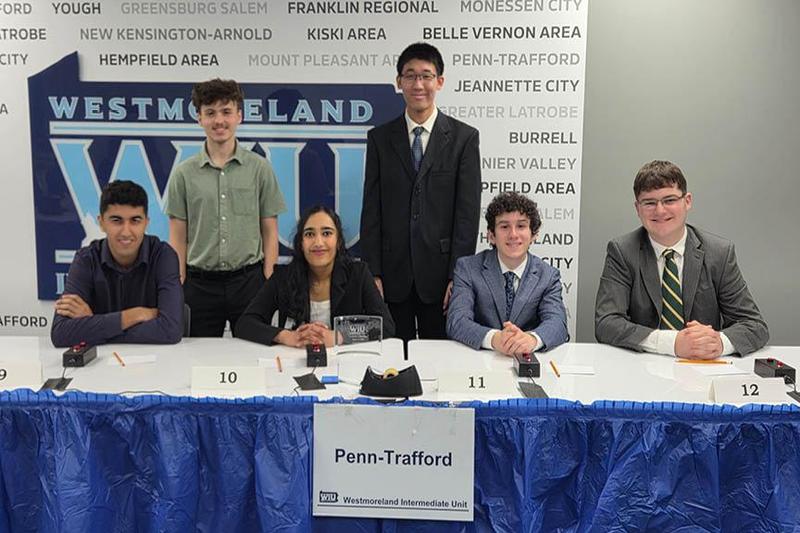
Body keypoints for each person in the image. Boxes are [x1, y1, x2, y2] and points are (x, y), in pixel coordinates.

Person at [359, 42, 481, 344]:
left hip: (441, 278)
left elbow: (467, 215)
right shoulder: (379, 138)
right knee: (391, 360)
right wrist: (372, 271)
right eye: (410, 76)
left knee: (439, 360)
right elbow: (371, 208)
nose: (418, 84)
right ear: (399, 82)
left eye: (426, 76)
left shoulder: (464, 138)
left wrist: (459, 275)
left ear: (439, 81)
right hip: (391, 273)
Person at [595, 160, 769, 358]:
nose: (660, 211)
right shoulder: (622, 251)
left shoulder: (719, 253)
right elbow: (606, 323)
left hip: (702, 370)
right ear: (637, 208)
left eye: (669, 200)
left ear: (687, 201)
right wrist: (671, 343)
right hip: (642, 370)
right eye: (649, 202)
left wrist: (718, 343)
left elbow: (755, 326)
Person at [165, 78, 286, 337]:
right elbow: (177, 235)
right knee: (197, 362)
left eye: (226, 112)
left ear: (239, 116)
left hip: (249, 282)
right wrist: (179, 282)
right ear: (199, 118)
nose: (219, 120)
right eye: (210, 113)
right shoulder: (183, 174)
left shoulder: (259, 169)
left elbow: (269, 230)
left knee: (253, 358)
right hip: (199, 286)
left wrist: (268, 280)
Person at [235, 205, 394, 347]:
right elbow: (245, 324)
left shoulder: (358, 274)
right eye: (310, 234)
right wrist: (286, 336)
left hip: (346, 364)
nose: (318, 242)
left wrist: (340, 336)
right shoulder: (283, 277)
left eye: (326, 233)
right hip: (294, 363)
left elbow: (386, 326)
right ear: (301, 243)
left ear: (338, 241)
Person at [51, 181, 183, 347]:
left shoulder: (163, 256)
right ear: (101, 222)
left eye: (135, 220)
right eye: (116, 220)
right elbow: (61, 334)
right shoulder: (86, 260)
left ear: (146, 223)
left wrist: (93, 324)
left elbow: (170, 330)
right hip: (99, 365)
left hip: (155, 363)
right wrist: (134, 315)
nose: (126, 231)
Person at [447, 192, 568, 355]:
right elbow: (457, 321)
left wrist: (531, 339)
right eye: (504, 226)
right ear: (491, 235)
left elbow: (557, 323)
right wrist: (495, 339)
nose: (513, 234)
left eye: (521, 226)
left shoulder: (548, 276)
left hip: (527, 362)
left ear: (534, 234)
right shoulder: (467, 268)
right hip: (478, 362)